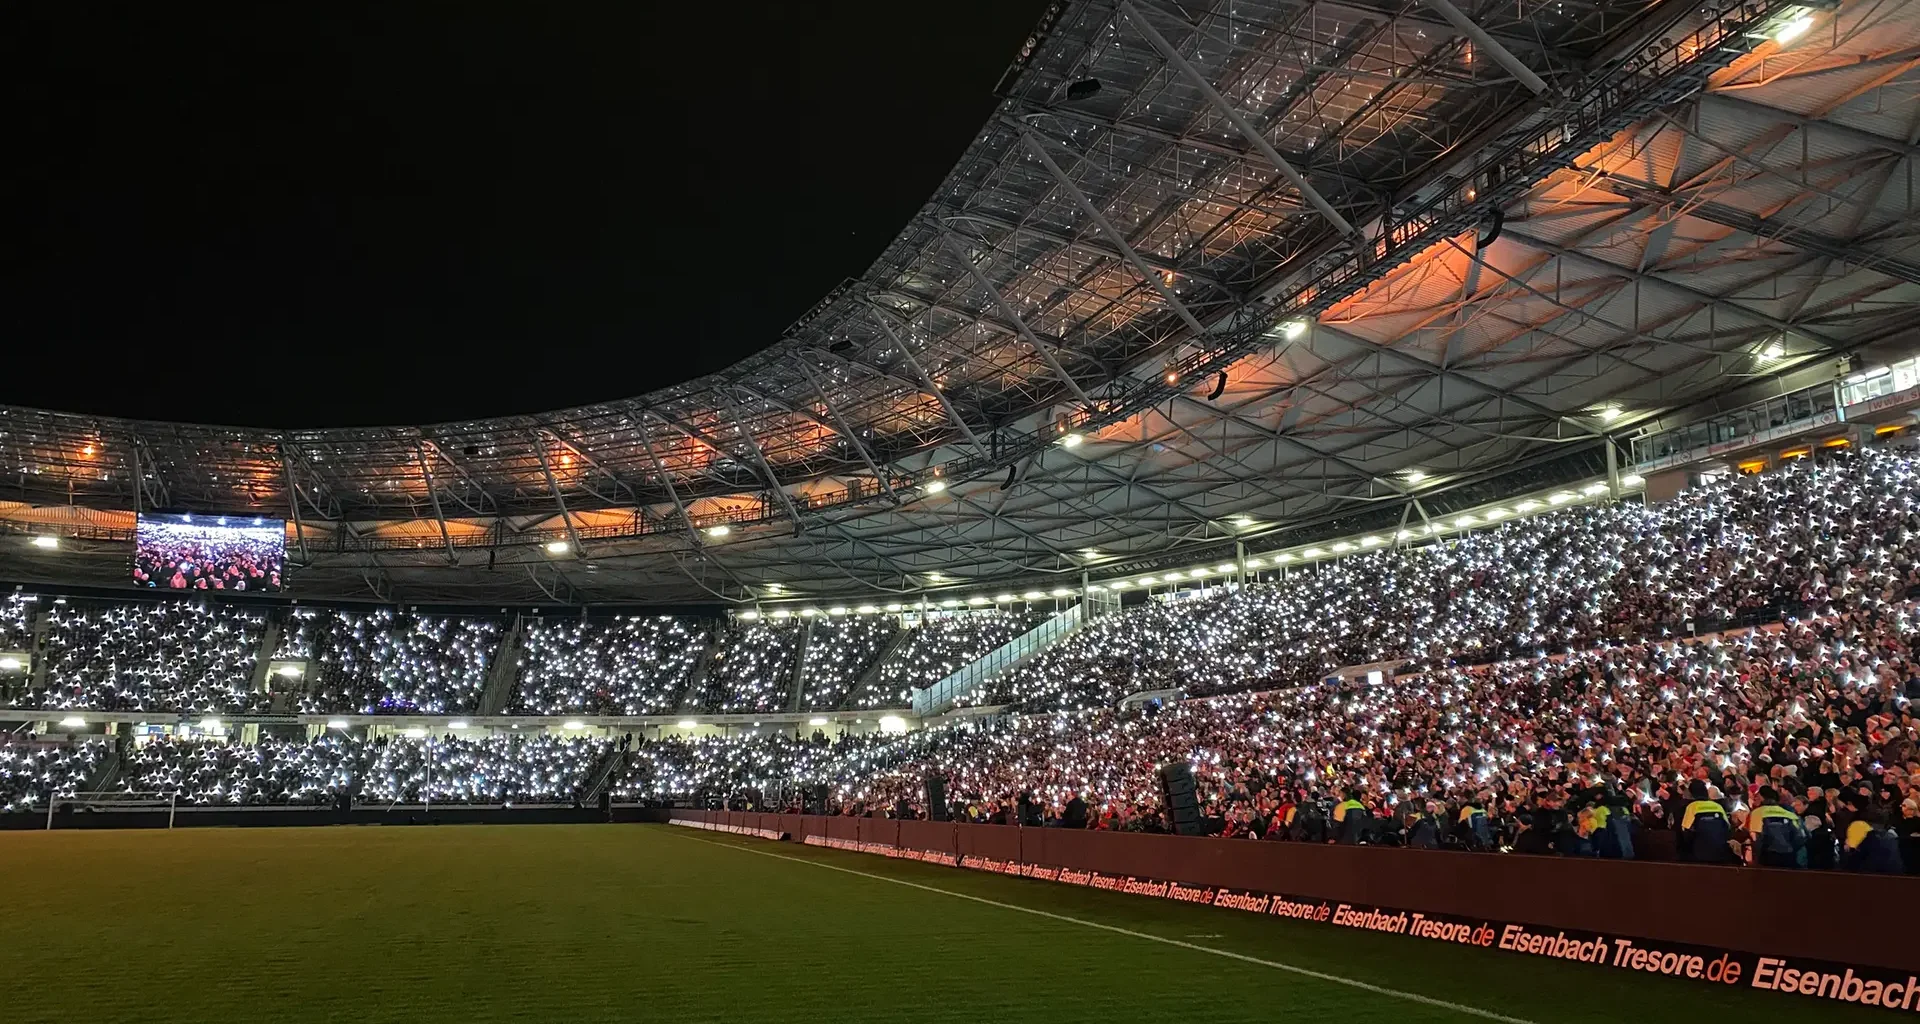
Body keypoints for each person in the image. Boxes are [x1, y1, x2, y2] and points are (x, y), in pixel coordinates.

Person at [1679, 780, 1737, 864]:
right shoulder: (1717, 806)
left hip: (1699, 853)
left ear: (1692, 794)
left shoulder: (1692, 807)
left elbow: (1685, 830)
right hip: (1720, 851)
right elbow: (1727, 827)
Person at [1748, 786, 1806, 869]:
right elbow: (1802, 836)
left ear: (1761, 797)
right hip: (1790, 856)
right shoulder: (1789, 813)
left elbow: (1755, 837)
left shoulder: (1757, 813)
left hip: (1768, 858)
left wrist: (1757, 860)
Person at [1842, 804, 1906, 874]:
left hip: (1874, 875)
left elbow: (1856, 859)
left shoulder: (1871, 837)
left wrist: (1847, 852)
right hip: (1896, 873)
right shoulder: (1892, 837)